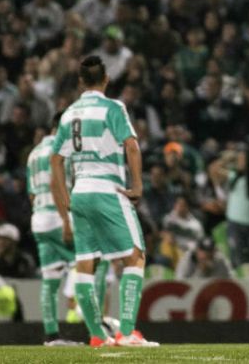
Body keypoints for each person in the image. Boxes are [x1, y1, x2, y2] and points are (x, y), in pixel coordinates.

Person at [51, 55, 159, 348]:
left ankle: (98, 335)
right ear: (106, 79)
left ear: (80, 82)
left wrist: (65, 199)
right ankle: (127, 332)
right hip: (107, 189)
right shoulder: (113, 107)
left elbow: (56, 159)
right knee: (135, 256)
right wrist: (137, 185)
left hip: (80, 193)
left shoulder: (68, 113)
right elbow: (132, 146)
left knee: (85, 263)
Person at [27, 112, 108, 345]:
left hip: (39, 220)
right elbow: (58, 184)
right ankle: (96, 325)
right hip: (59, 217)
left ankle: (51, 335)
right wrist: (65, 221)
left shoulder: (33, 154)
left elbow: (31, 193)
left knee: (50, 279)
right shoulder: (63, 150)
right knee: (97, 262)